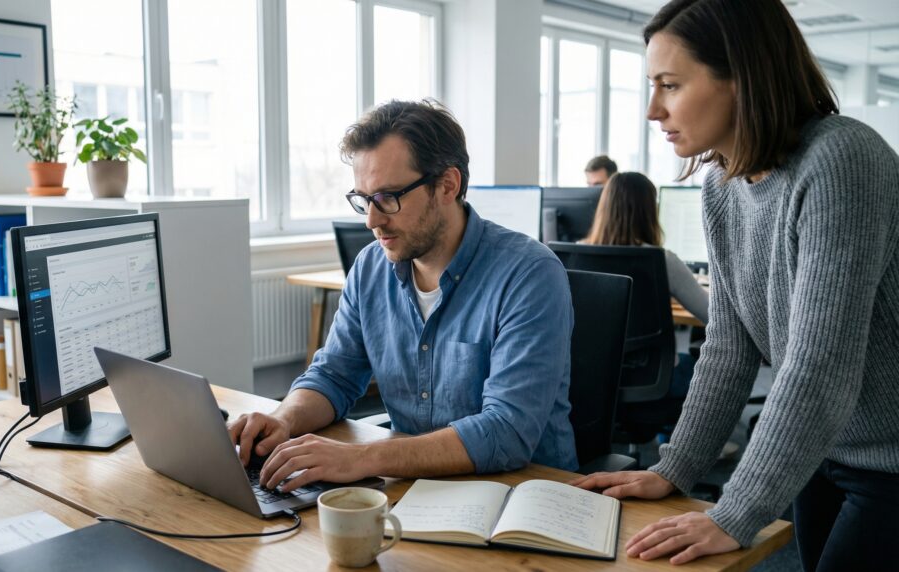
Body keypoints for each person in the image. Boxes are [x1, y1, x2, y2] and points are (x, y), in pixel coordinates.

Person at [571, 0, 899, 569]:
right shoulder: (721, 188)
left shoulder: (842, 158)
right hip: (820, 448)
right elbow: (729, 347)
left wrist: (735, 511)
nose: (653, 109)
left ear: (742, 78)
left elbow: (818, 364)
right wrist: (675, 467)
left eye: (670, 85)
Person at [230, 99, 578, 495]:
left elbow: (506, 432)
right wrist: (285, 419)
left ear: (448, 185)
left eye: (388, 197)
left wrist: (362, 458)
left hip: (521, 499)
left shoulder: (529, 273)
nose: (372, 221)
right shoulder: (369, 268)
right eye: (363, 199)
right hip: (414, 489)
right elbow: (334, 375)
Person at [581, 170, 708, 402]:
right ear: (650, 211)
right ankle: (673, 434)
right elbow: (711, 314)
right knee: (699, 365)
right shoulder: (662, 260)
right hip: (654, 380)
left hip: (592, 377)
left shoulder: (574, 255)